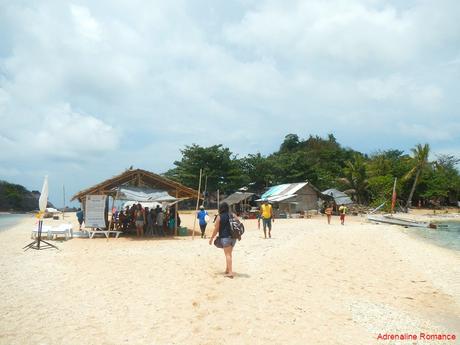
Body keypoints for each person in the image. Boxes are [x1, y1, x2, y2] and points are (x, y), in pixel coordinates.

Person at [209, 202, 236, 278]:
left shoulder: (220, 217)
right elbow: (238, 223)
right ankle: (227, 270)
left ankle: (230, 273)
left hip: (225, 237)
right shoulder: (233, 215)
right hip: (233, 237)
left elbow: (216, 229)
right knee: (229, 254)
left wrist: (211, 238)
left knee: (227, 255)